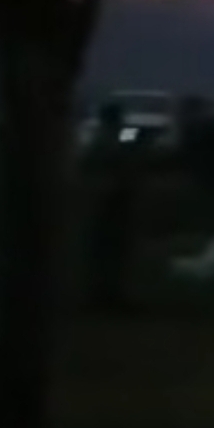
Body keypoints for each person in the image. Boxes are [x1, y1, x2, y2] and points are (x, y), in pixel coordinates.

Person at [81, 101, 144, 314]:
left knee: (109, 249)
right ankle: (109, 293)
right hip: (113, 195)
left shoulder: (103, 136)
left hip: (110, 195)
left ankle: (106, 293)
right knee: (113, 249)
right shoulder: (116, 135)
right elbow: (129, 155)